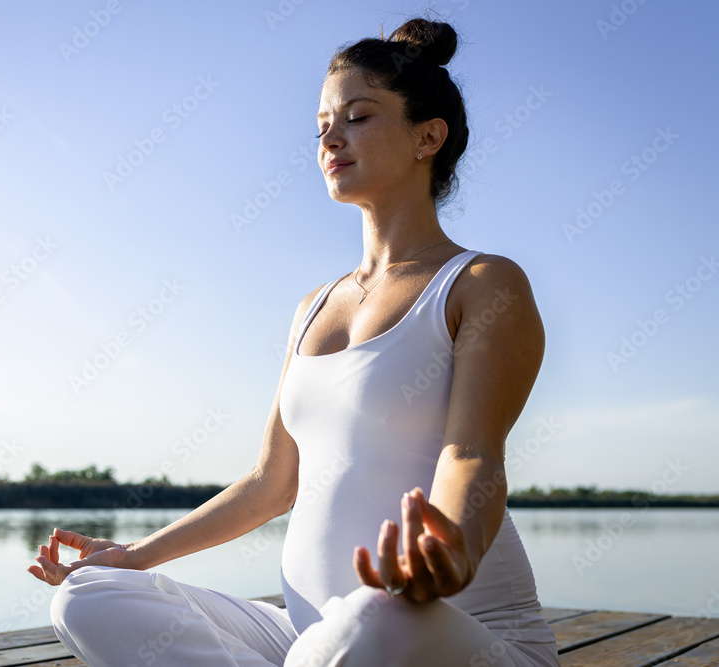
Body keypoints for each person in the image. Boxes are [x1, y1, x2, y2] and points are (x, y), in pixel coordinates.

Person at [27, 15, 561, 667]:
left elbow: (472, 454)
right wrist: (132, 556)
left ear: (428, 136)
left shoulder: (478, 282)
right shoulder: (314, 307)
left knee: (371, 618)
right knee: (87, 596)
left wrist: (453, 548)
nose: (330, 136)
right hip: (308, 635)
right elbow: (270, 483)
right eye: (321, 125)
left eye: (358, 116)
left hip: (444, 633)